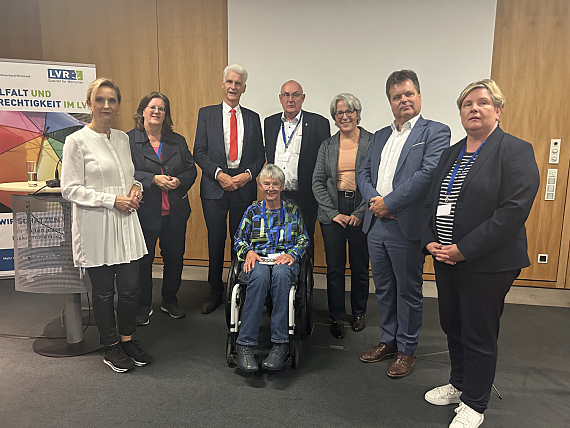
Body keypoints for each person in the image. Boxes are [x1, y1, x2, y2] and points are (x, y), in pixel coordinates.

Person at [421, 79, 539, 428]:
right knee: (452, 324)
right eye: (467, 104)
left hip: (487, 261)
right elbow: (432, 201)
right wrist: (430, 240)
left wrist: (464, 250)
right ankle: (459, 384)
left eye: (483, 103)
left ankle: (475, 402)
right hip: (445, 258)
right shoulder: (452, 152)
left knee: (478, 331)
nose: (474, 109)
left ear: (498, 111)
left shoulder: (515, 150)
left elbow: (513, 211)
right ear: (460, 113)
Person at [356, 69, 450, 378]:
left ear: (419, 96)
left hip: (405, 225)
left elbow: (427, 174)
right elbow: (363, 173)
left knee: (408, 291)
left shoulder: (435, 132)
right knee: (383, 288)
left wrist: (390, 202)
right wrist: (375, 202)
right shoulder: (381, 135)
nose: (403, 100)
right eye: (397, 96)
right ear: (390, 102)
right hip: (376, 224)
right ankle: (388, 341)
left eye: (409, 94)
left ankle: (407, 350)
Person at [61, 78, 152, 373]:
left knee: (130, 289)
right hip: (97, 225)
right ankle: (110, 345)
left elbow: (130, 177)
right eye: (100, 100)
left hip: (126, 224)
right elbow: (70, 189)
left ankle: (127, 339)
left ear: (119, 105)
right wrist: (111, 200)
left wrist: (137, 188)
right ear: (89, 104)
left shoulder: (122, 138)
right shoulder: (77, 141)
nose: (106, 105)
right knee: (102, 292)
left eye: (112, 100)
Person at [194, 64, 265, 314]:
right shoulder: (207, 114)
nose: (233, 87)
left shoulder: (254, 118)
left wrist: (247, 176)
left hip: (243, 189)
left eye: (238, 83)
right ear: (222, 84)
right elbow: (199, 152)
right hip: (215, 187)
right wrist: (219, 175)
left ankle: (240, 288)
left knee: (242, 242)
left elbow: (260, 155)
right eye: (230, 82)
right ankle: (215, 291)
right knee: (215, 241)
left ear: (244, 88)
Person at [128, 92, 197, 325]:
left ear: (166, 114)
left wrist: (179, 181)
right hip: (144, 211)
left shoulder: (177, 140)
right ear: (143, 111)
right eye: (152, 107)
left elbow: (191, 169)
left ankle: (170, 299)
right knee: (143, 261)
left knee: (174, 258)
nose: (157, 111)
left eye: (162, 108)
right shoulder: (129, 140)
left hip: (175, 211)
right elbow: (125, 171)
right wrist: (151, 180)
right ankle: (143, 304)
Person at [233, 164, 309, 372]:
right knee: (259, 277)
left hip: (283, 262)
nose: (271, 188)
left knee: (281, 274)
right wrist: (247, 252)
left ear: (282, 186)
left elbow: (303, 239)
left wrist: (292, 254)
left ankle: (280, 344)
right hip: (258, 260)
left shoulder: (293, 211)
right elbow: (239, 239)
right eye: (267, 183)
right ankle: (245, 345)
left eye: (275, 184)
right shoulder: (252, 211)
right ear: (260, 185)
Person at [312, 93, 372, 338]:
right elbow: (317, 182)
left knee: (359, 265)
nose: (345, 116)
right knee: (335, 267)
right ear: (334, 118)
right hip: (332, 210)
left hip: (361, 208)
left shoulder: (373, 141)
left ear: (357, 113)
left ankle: (358, 312)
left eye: (349, 111)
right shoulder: (327, 145)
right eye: (340, 113)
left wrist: (360, 212)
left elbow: (377, 180)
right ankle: (336, 316)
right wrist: (333, 212)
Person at [264, 80, 330, 258]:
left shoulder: (318, 123)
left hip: (304, 196)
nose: (290, 99)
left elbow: (325, 162)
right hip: (276, 195)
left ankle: (304, 284)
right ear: (280, 98)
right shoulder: (269, 123)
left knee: (304, 243)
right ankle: (280, 283)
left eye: (295, 95)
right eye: (286, 95)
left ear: (303, 98)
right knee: (275, 241)